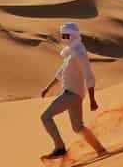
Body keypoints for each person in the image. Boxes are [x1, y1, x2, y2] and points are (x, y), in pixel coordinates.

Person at [40, 22, 107, 159]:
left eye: (66, 35)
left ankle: (60, 148)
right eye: (62, 35)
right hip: (74, 94)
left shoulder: (79, 52)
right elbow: (61, 72)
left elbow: (88, 75)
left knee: (45, 117)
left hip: (71, 94)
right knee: (77, 127)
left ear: (73, 35)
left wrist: (93, 99)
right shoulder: (71, 51)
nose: (63, 38)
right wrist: (48, 88)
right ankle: (100, 150)